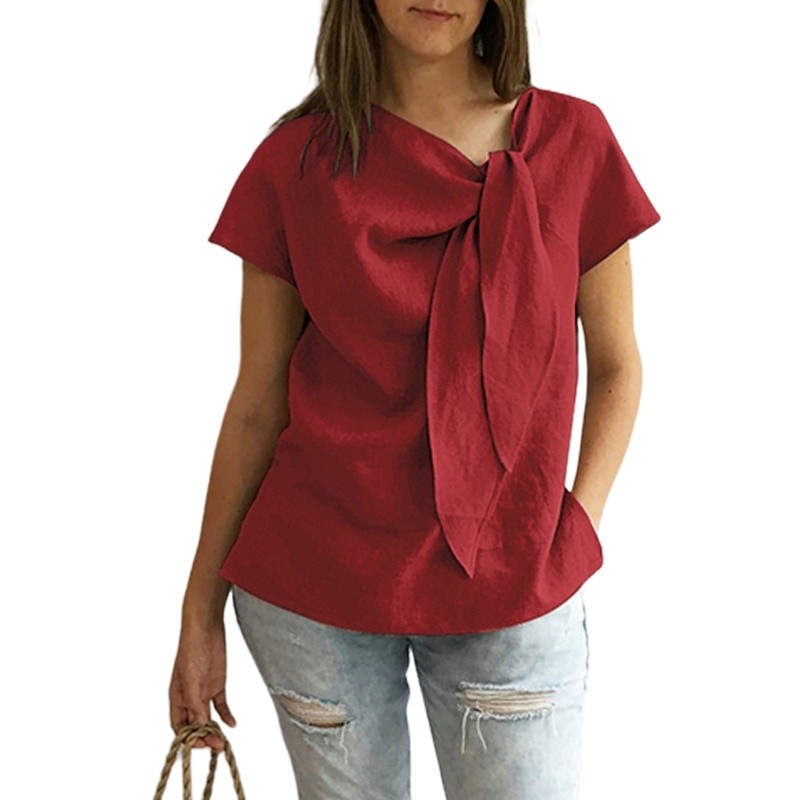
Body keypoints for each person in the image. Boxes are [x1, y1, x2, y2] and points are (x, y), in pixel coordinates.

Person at [168, 1, 661, 797]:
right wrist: (200, 610)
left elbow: (617, 364)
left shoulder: (575, 141)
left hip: (513, 581)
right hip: (315, 587)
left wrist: (578, 526)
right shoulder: (296, 162)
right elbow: (258, 399)